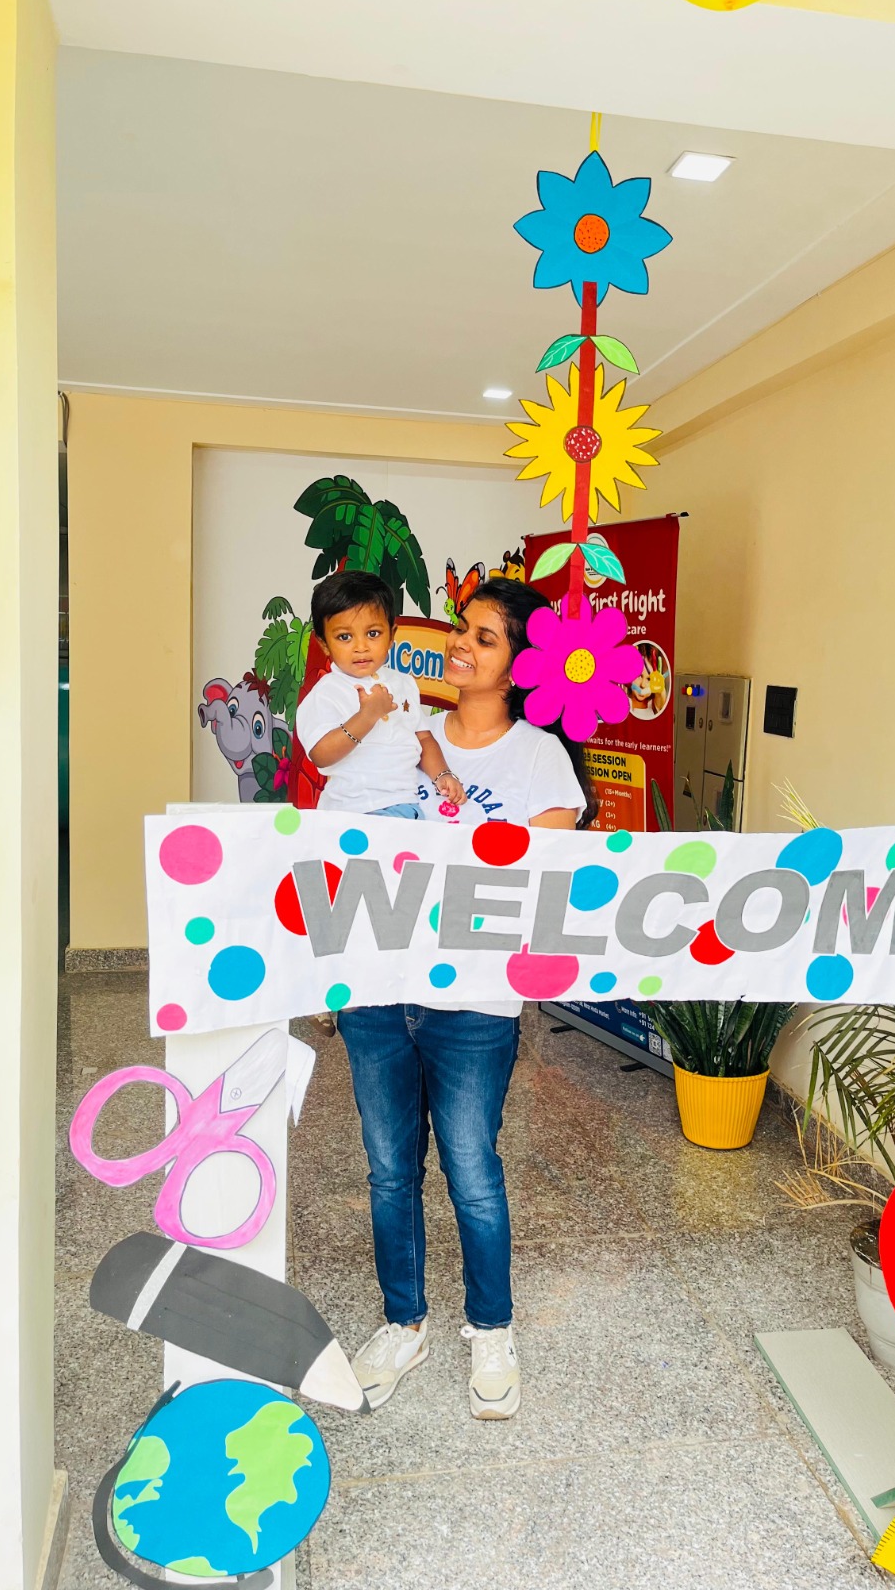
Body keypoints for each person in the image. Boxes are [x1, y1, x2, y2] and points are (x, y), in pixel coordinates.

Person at [338, 578, 598, 1420]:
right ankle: (403, 1324)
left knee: (472, 1170)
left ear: (521, 665)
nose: (460, 644)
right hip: (379, 985)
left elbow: (539, 868)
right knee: (388, 1169)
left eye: (484, 637)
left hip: (476, 1001)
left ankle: (491, 1329)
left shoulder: (538, 758)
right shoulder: (403, 726)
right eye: (461, 628)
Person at [295, 570, 466, 817]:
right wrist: (366, 717)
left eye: (373, 633)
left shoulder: (404, 683)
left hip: (408, 806)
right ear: (324, 644)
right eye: (345, 637)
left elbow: (424, 739)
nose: (361, 647)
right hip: (355, 810)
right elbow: (321, 754)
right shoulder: (326, 693)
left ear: (391, 635)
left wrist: (442, 774)